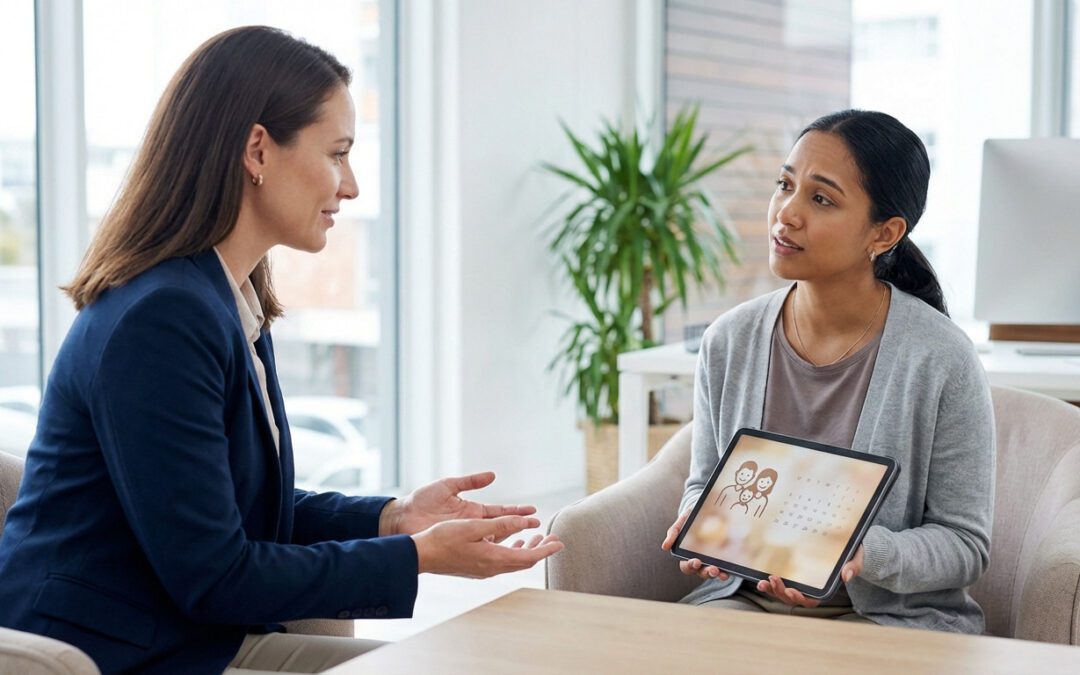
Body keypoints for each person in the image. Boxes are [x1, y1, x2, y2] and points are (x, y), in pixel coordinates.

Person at [0, 26, 563, 674]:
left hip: (183, 635)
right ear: (257, 150)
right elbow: (216, 575)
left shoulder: (224, 297)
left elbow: (241, 507)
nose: (350, 186)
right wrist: (421, 556)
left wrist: (395, 517)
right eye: (338, 153)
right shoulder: (161, 319)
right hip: (111, 653)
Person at [661, 110, 994, 632]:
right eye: (785, 185)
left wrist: (862, 553)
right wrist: (702, 522)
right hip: (742, 603)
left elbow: (965, 544)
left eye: (821, 199)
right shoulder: (729, 340)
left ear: (884, 234)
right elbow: (706, 482)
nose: (786, 214)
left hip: (886, 619)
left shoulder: (942, 358)